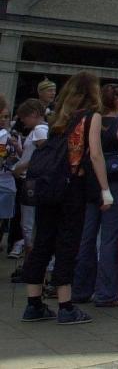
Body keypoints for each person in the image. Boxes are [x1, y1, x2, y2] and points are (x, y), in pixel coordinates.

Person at [22, 70, 111, 325]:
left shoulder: (56, 118)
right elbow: (95, 154)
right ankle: (65, 306)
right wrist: (105, 190)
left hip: (48, 186)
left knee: (42, 242)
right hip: (73, 186)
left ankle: (33, 303)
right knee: (67, 244)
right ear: (92, 92)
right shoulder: (90, 117)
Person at [73, 84, 118, 307]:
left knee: (87, 236)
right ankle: (107, 292)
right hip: (115, 185)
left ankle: (81, 288)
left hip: (91, 184)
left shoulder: (92, 121)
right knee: (109, 240)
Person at [9, 99, 47, 272]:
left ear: (33, 115)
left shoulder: (40, 130)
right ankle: (31, 263)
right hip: (31, 180)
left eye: (24, 117)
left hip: (32, 182)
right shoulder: (39, 130)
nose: (22, 121)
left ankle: (31, 265)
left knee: (29, 224)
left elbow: (42, 154)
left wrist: (20, 168)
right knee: (29, 223)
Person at [0, 96, 14, 254]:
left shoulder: (6, 135)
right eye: (2, 116)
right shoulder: (4, 135)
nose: (4, 120)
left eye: (7, 117)